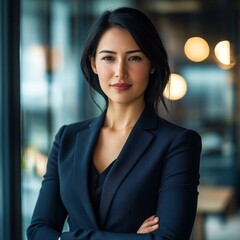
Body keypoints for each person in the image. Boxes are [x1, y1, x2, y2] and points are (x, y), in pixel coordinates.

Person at [27, 7, 201, 240]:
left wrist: (66, 237)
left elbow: (168, 238)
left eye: (134, 58)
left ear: (151, 65)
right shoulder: (67, 138)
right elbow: (38, 230)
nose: (120, 72)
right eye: (108, 58)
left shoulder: (178, 143)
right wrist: (130, 237)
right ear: (93, 64)